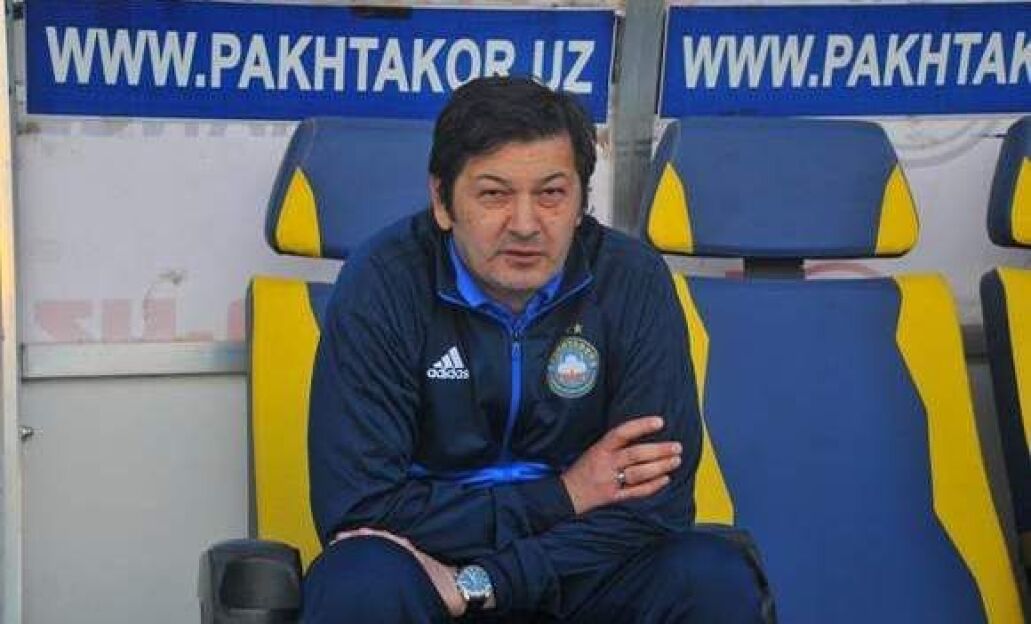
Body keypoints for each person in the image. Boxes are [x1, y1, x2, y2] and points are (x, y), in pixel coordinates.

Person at [303, 76, 767, 623]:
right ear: (442, 201)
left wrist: (487, 582)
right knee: (359, 579)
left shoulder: (631, 281)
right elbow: (360, 508)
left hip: (581, 568)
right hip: (428, 572)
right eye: (494, 194)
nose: (525, 225)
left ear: (581, 202)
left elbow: (655, 509)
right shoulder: (384, 282)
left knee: (709, 576)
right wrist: (565, 495)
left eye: (551, 194)